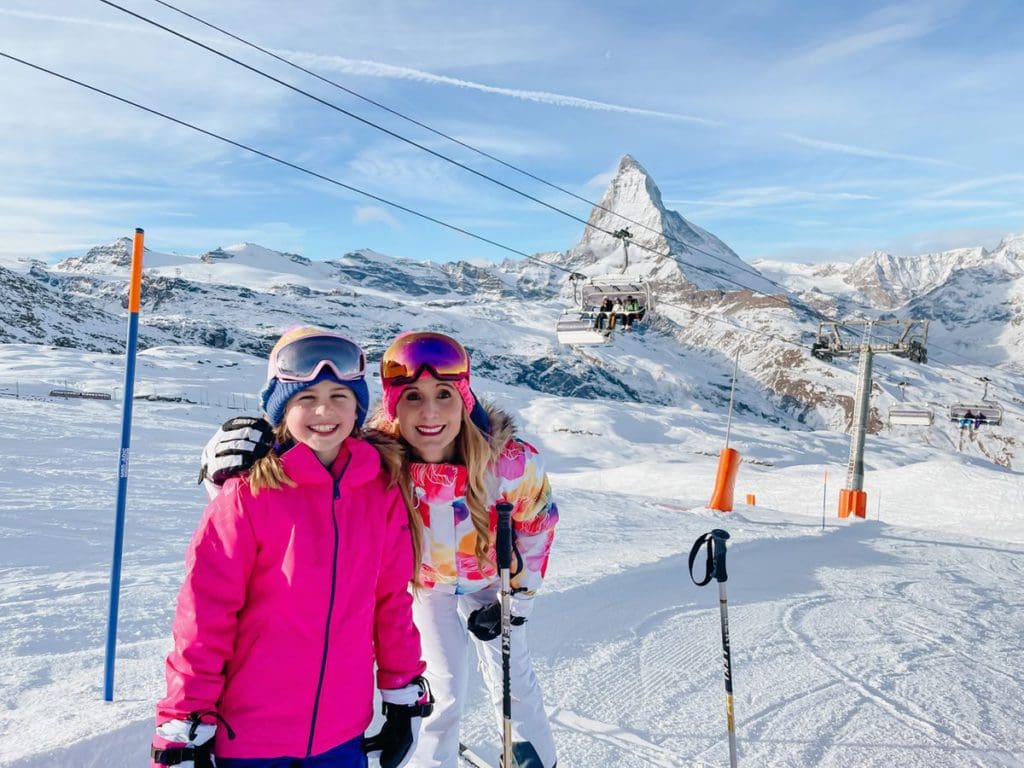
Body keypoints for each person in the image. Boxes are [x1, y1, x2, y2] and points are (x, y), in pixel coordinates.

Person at [200, 332, 560, 768]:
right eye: (411, 397)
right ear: (393, 407)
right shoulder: (381, 461)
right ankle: (432, 759)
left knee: (512, 672)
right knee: (442, 686)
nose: (429, 413)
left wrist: (516, 600)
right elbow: (310, 458)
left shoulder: (509, 463)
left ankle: (533, 754)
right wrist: (237, 452)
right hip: (430, 585)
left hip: (492, 579)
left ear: (464, 400)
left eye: (444, 395)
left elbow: (538, 526)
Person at [153, 327, 431, 768]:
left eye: (340, 395)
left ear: (358, 406)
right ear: (281, 409)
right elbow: (204, 618)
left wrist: (402, 695)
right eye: (305, 398)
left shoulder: (380, 491)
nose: (324, 410)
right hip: (248, 735)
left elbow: (390, 602)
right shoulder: (248, 497)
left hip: (342, 735)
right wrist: (185, 722)